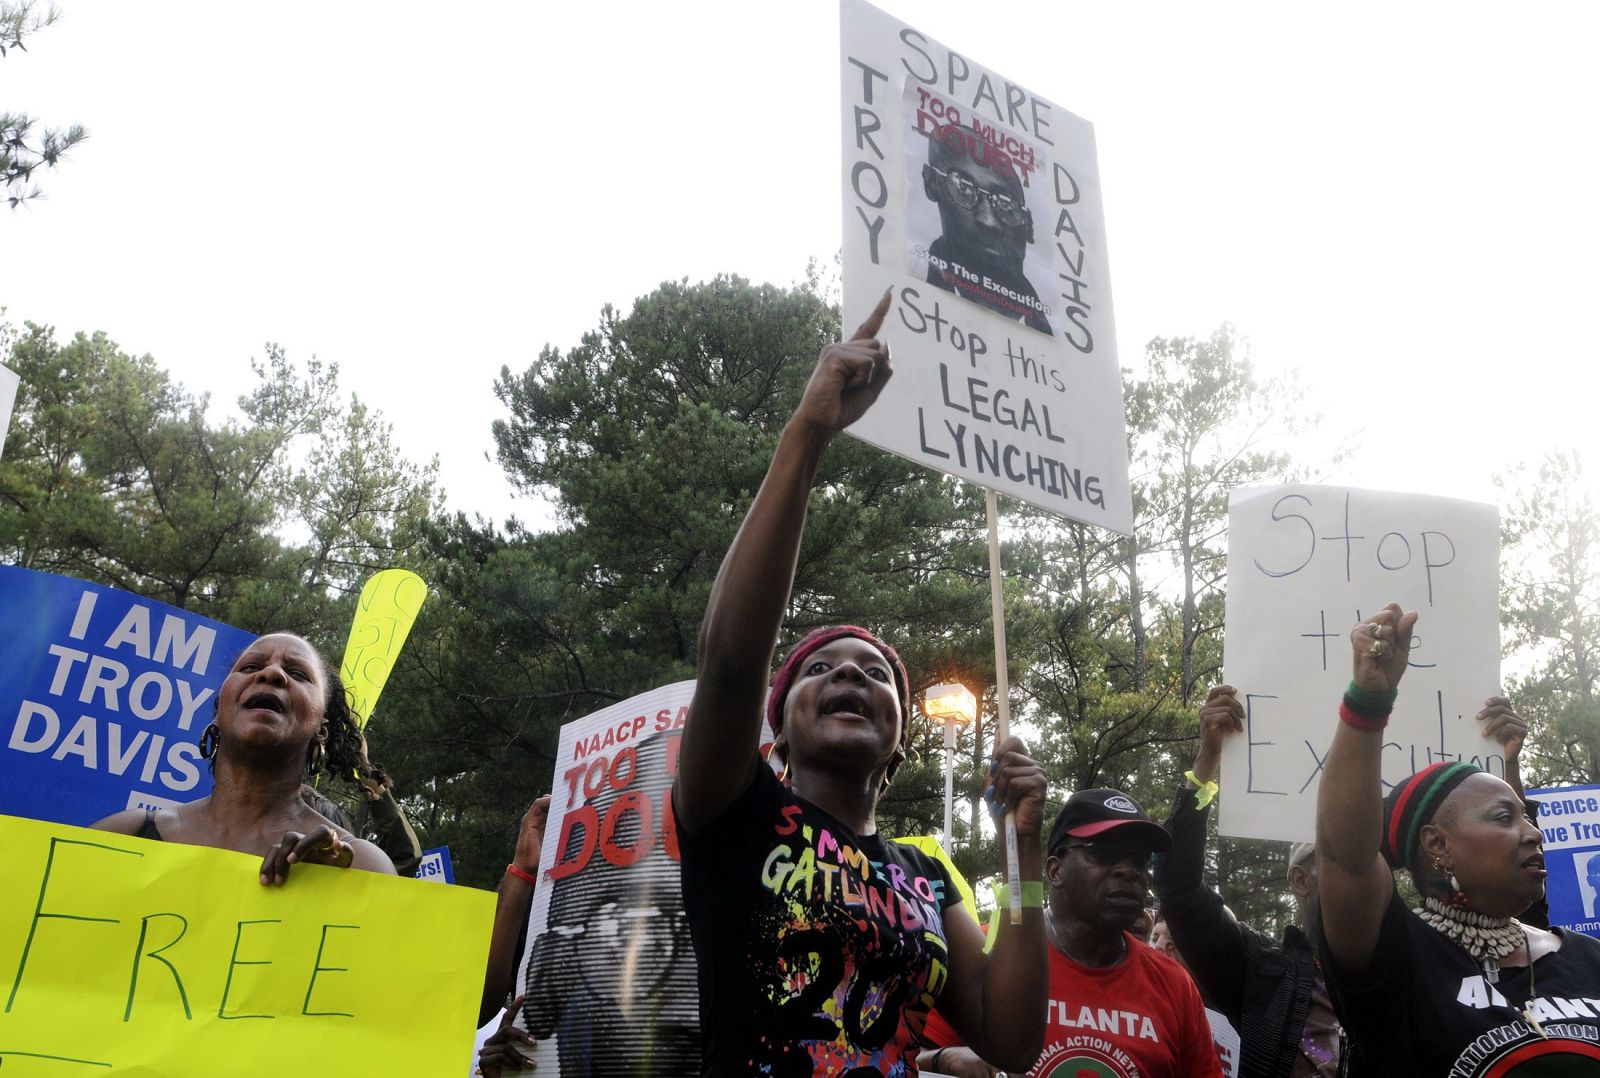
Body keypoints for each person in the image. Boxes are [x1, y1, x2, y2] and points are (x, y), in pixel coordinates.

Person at [673, 290, 1048, 1076]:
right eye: (819, 668)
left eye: (876, 673)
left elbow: (1012, 1040)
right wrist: (809, 432)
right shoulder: (733, 808)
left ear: (899, 745)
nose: (848, 671)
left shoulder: (927, 876)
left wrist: (1026, 859)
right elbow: (730, 660)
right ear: (775, 731)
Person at [1316, 604, 1600, 1075]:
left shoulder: (1589, 958)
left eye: (1528, 819)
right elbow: (1346, 857)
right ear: (1437, 845)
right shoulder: (1396, 957)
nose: (1533, 834)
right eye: (1505, 817)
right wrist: (1368, 701)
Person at [919, 789, 1224, 1078]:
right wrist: (944, 1058)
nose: (1128, 870)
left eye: (1140, 860)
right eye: (1105, 852)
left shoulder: (1174, 984)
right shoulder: (985, 949)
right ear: (1055, 870)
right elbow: (895, 1058)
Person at [93, 632, 394, 884]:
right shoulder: (128, 833)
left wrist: (339, 892)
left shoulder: (360, 865)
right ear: (217, 716)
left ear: (321, 730)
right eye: (250, 667)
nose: (272, 673)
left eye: (298, 674)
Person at [1153, 685, 1346, 1078]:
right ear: (1301, 880)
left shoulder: (1408, 965)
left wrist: (1509, 769)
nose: (1359, 871)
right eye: (1339, 859)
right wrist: (1207, 761)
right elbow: (1177, 887)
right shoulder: (1262, 972)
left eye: (1366, 858)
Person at [920, 122, 1052, 335]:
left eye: (1006, 204)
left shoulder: (1052, 336)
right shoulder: (909, 290)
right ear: (931, 183)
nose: (989, 221)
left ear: (1029, 227)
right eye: (964, 187)